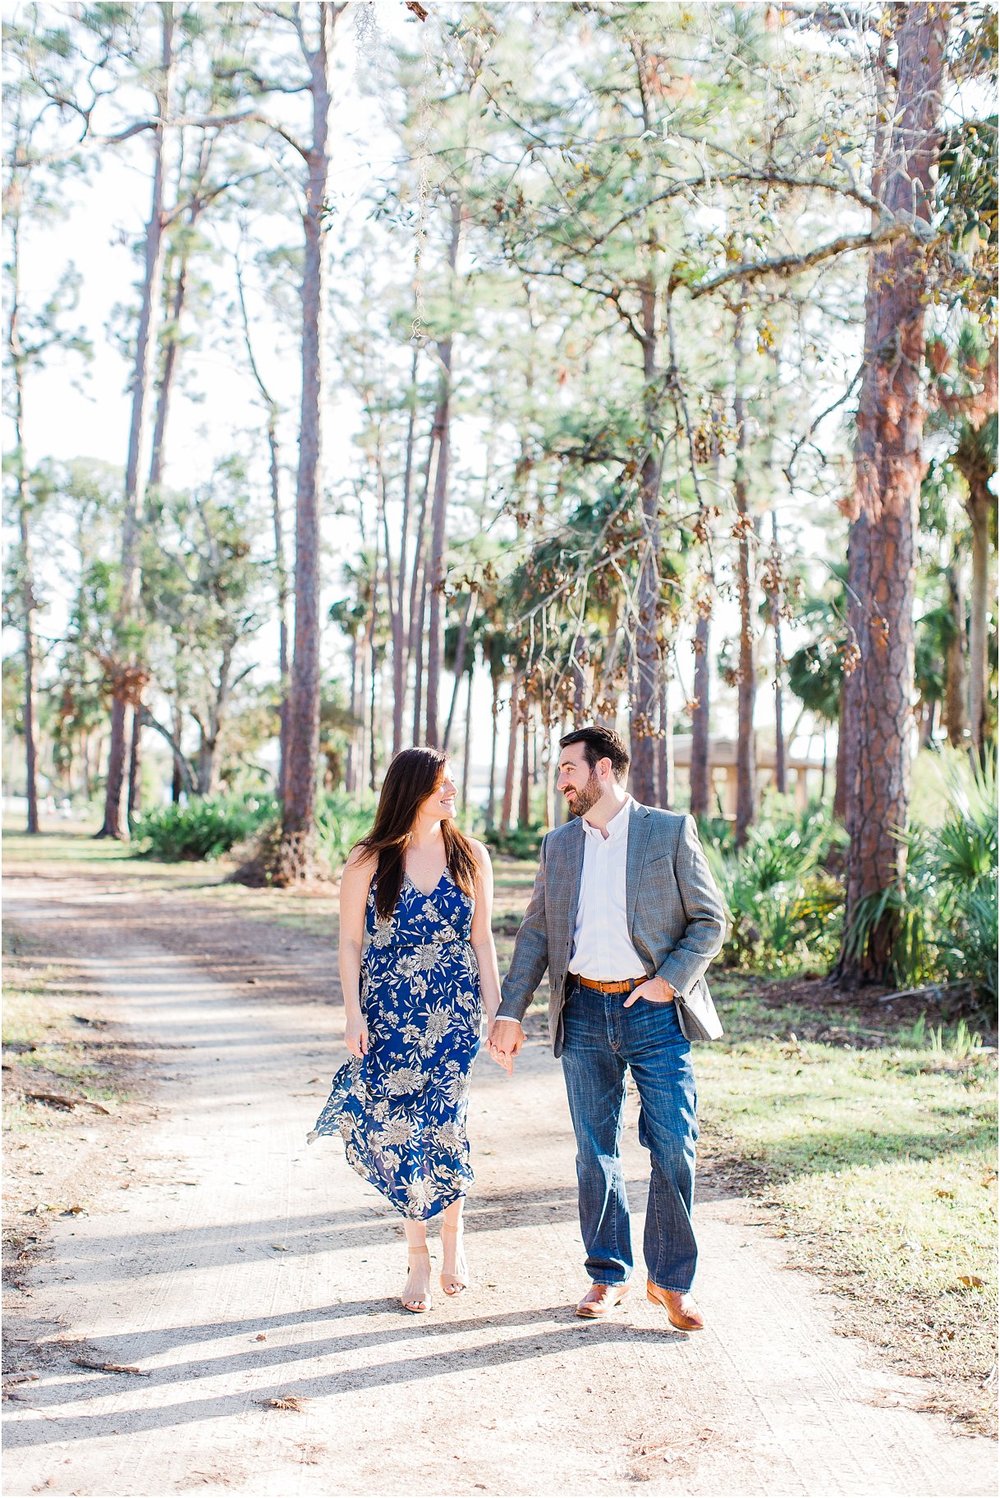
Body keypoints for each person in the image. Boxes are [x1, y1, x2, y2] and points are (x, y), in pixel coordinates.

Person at [488, 725, 727, 1330]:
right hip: (585, 1012)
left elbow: (709, 920)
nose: (561, 778)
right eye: (560, 768)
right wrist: (511, 1010)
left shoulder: (667, 831)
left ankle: (672, 1283)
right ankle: (607, 1274)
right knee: (594, 1152)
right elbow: (537, 933)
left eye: (570, 767)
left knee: (673, 1143)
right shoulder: (559, 845)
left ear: (604, 770)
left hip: (654, 1010)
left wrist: (667, 981)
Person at [310, 747, 505, 1313]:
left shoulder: (472, 856)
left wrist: (498, 1013)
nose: (452, 793)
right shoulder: (371, 859)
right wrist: (353, 1012)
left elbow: (483, 941)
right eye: (441, 784)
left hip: (454, 1016)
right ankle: (416, 1254)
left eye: (452, 783)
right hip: (388, 1014)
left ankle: (452, 1240)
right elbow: (350, 942)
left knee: (446, 1125)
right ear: (412, 791)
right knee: (398, 1133)